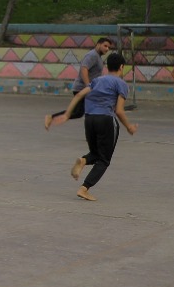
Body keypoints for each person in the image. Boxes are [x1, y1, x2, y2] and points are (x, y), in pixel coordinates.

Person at [62, 52, 138, 201]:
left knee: (95, 153)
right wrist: (129, 127)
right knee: (104, 159)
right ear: (122, 67)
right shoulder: (121, 84)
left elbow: (78, 95)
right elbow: (119, 111)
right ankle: (84, 189)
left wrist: (67, 114)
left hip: (89, 119)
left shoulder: (97, 80)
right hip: (106, 120)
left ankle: (83, 160)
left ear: (107, 66)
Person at [45, 37, 113, 129]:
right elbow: (84, 69)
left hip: (87, 89)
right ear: (98, 44)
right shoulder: (92, 55)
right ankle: (52, 117)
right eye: (105, 46)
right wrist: (88, 85)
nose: (107, 49)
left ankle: (52, 117)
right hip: (82, 88)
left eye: (108, 47)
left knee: (81, 112)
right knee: (81, 112)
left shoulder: (97, 57)